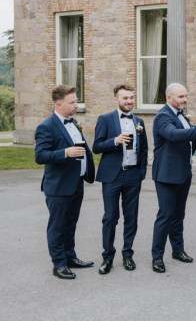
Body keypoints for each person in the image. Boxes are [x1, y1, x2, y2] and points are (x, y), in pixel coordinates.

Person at [150, 82, 196, 273]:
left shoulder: (180, 116)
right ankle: (157, 257)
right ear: (169, 98)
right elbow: (174, 135)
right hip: (166, 175)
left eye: (186, 96)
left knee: (178, 215)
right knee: (165, 215)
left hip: (183, 173)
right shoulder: (163, 117)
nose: (185, 100)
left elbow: (192, 136)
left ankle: (177, 250)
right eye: (181, 97)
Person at [34, 84, 96, 280]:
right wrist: (65, 153)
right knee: (58, 226)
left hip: (76, 182)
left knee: (71, 224)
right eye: (72, 102)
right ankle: (58, 264)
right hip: (58, 186)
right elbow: (40, 156)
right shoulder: (46, 126)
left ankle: (70, 257)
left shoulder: (73, 122)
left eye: (76, 101)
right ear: (59, 104)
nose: (76, 105)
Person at [92, 84, 148, 274]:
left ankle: (128, 255)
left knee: (131, 217)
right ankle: (107, 257)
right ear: (116, 99)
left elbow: (145, 148)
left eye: (132, 98)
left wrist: (141, 172)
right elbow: (96, 146)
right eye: (125, 98)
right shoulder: (105, 119)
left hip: (133, 175)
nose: (129, 101)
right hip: (112, 176)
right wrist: (115, 141)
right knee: (110, 217)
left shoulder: (139, 121)